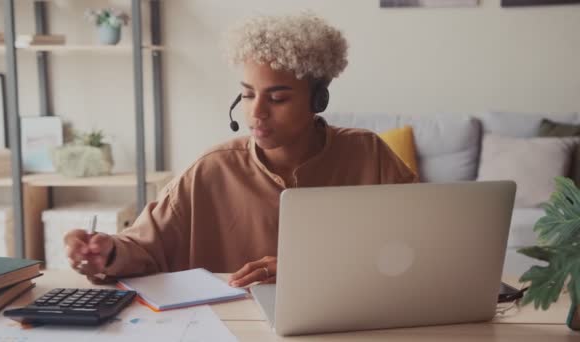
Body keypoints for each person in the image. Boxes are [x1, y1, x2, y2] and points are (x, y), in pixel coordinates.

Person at [64, 12, 417, 288]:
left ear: (318, 100)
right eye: (247, 94)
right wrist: (107, 253)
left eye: (277, 98)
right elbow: (141, 247)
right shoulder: (210, 170)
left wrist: (319, 268)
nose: (256, 112)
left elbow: (419, 247)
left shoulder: (369, 154)